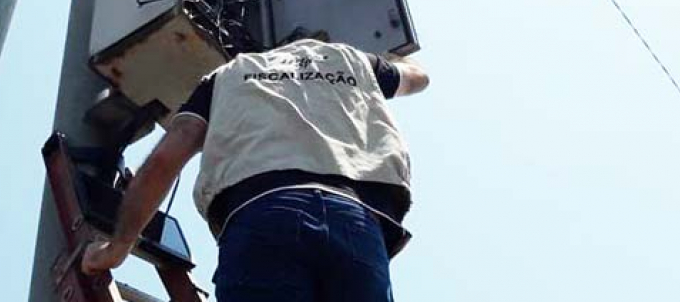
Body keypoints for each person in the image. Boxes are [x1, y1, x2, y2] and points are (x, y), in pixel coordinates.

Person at [81, 30, 429, 301]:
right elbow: (418, 79)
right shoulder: (353, 61)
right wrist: (393, 59)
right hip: (357, 224)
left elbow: (163, 159)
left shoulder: (228, 75)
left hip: (261, 216)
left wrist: (119, 245)